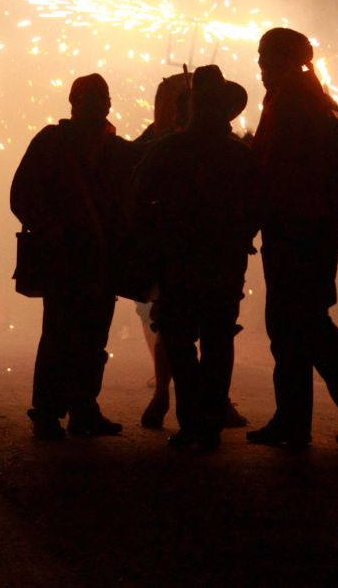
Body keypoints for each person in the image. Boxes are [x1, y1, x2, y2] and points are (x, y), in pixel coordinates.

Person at [246, 28, 338, 447]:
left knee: (294, 323)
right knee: (303, 322)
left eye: (265, 58)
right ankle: (303, 417)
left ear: (284, 61)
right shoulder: (310, 98)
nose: (260, 67)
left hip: (296, 228)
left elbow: (273, 170)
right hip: (315, 227)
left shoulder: (288, 103)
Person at [128, 66, 258, 450]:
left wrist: (154, 239)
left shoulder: (170, 149)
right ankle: (212, 418)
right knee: (218, 338)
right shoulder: (240, 155)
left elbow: (135, 199)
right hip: (224, 261)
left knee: (179, 338)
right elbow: (258, 206)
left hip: (179, 261)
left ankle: (192, 421)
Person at [11, 73, 142, 440]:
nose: (101, 104)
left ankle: (82, 408)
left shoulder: (114, 150)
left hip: (98, 258)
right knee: (59, 336)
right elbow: (22, 194)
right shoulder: (53, 143)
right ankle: (50, 413)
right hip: (65, 258)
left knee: (92, 338)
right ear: (74, 102)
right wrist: (50, 226)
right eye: (92, 97)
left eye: (103, 97)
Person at [131, 71, 191, 429]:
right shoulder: (159, 142)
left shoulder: (164, 143)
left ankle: (173, 397)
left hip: (182, 248)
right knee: (171, 325)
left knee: (180, 326)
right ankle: (168, 395)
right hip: (173, 250)